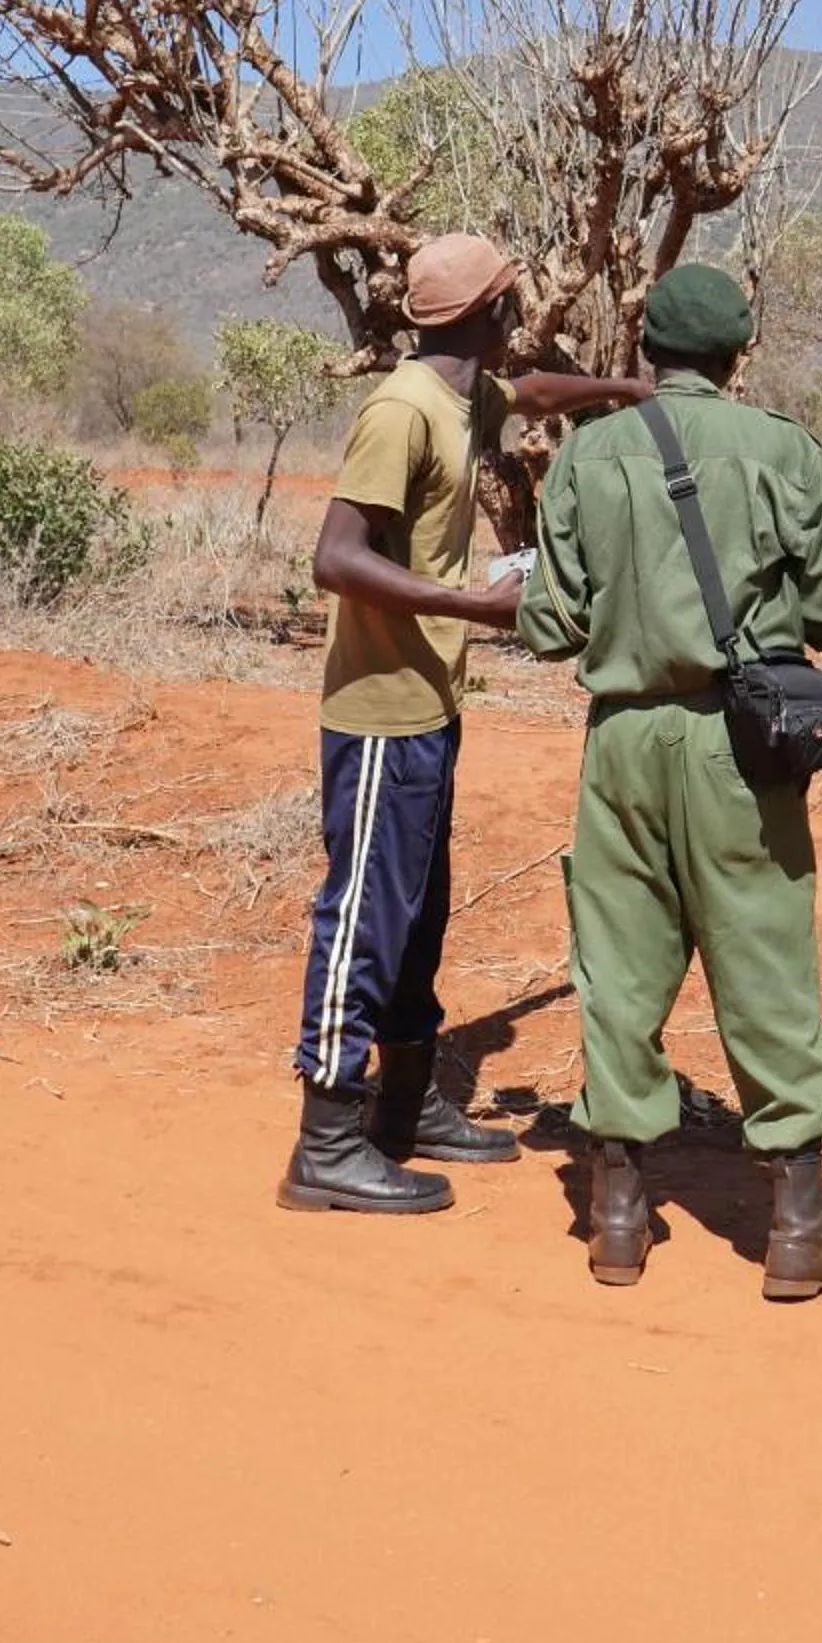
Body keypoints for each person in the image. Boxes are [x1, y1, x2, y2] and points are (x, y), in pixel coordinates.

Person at [516, 262, 822, 1298]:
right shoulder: (782, 448)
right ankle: (798, 1230)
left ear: (647, 349)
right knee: (764, 959)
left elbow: (550, 625)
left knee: (619, 969)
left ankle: (618, 1219)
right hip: (741, 746)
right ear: (736, 353)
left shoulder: (586, 453)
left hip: (622, 742)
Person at [278, 234, 648, 1217]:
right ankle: (326, 1140)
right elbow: (335, 558)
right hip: (379, 710)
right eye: (511, 300)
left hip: (428, 701)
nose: (520, 313)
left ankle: (405, 1105)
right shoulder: (403, 410)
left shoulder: (463, 393)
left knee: (416, 915)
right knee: (364, 917)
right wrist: (472, 606)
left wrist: (626, 391)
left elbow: (531, 395)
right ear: (488, 312)